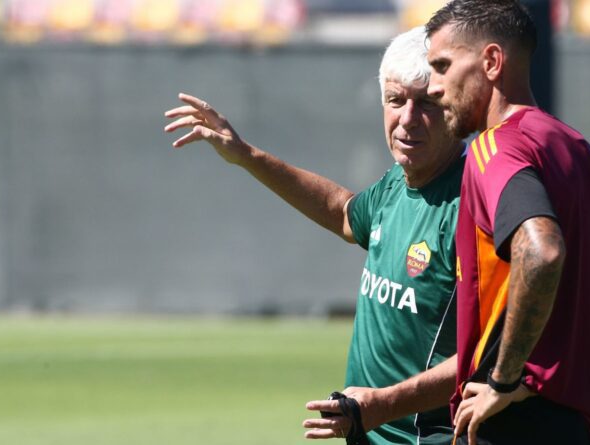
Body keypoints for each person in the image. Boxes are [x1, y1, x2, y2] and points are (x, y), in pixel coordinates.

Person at [164, 27, 465, 445]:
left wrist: (384, 404)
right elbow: (343, 213)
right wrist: (246, 156)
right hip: (366, 432)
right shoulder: (400, 181)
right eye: (396, 100)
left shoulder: (472, 202)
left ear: (454, 106)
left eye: (427, 103)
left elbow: (491, 355)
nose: (408, 119)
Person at [421, 1, 590, 444]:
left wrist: (503, 380)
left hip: (510, 424)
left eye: (442, 66)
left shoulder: (495, 148)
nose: (433, 87)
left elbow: (542, 250)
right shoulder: (580, 153)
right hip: (580, 429)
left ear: (492, 62)